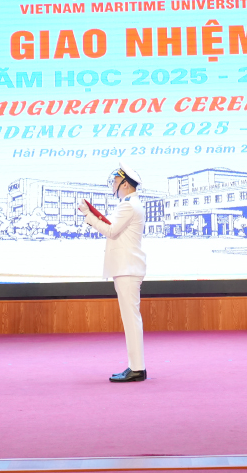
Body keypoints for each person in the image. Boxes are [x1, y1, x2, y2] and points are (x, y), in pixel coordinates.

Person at [79, 162, 147, 382]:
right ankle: (135, 366)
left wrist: (88, 215)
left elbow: (111, 230)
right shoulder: (130, 204)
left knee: (131, 320)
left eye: (116, 180)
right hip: (127, 268)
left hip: (127, 268)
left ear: (125, 184)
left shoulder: (128, 206)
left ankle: (137, 368)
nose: (113, 184)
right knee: (131, 319)